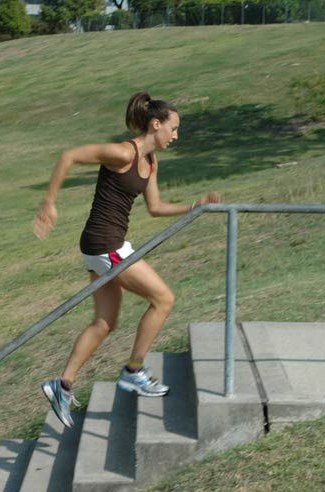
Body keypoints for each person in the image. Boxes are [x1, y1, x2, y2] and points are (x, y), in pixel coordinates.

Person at [33, 92, 222, 428]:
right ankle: (133, 371)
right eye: (173, 128)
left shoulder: (151, 163)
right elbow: (69, 156)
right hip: (105, 244)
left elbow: (155, 208)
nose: (176, 135)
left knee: (104, 323)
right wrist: (49, 203)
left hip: (103, 245)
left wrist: (195, 206)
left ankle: (61, 385)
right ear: (156, 124)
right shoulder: (123, 153)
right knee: (163, 299)